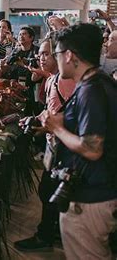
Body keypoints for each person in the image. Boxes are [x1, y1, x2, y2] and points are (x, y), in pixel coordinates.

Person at [40, 23, 117, 260]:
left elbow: (92, 148)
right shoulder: (97, 82)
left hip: (91, 197)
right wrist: (57, 120)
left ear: (70, 55)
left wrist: (57, 129)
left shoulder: (90, 90)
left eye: (57, 54)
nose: (57, 60)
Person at [14, 33, 75, 252]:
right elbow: (50, 112)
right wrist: (36, 120)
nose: (41, 58)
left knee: (50, 189)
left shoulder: (64, 81)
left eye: (47, 54)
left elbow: (70, 114)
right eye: (40, 54)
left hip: (63, 146)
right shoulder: (50, 79)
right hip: (53, 143)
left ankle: (46, 235)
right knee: (47, 189)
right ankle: (51, 231)